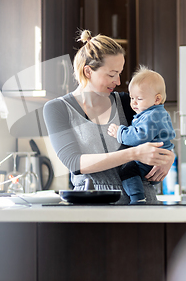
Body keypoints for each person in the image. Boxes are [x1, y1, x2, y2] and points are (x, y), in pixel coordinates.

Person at [42, 30, 174, 204]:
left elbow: (159, 128)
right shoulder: (57, 109)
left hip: (143, 208)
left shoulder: (128, 102)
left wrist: (167, 155)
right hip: (92, 210)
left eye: (119, 73)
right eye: (112, 74)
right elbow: (75, 163)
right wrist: (134, 153)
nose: (118, 81)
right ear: (88, 71)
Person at [107, 66, 175, 204]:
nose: (133, 103)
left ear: (157, 99)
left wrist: (120, 132)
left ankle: (137, 198)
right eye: (132, 97)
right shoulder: (156, 112)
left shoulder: (152, 115)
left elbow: (139, 136)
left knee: (128, 170)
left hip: (150, 162)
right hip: (157, 160)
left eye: (139, 98)